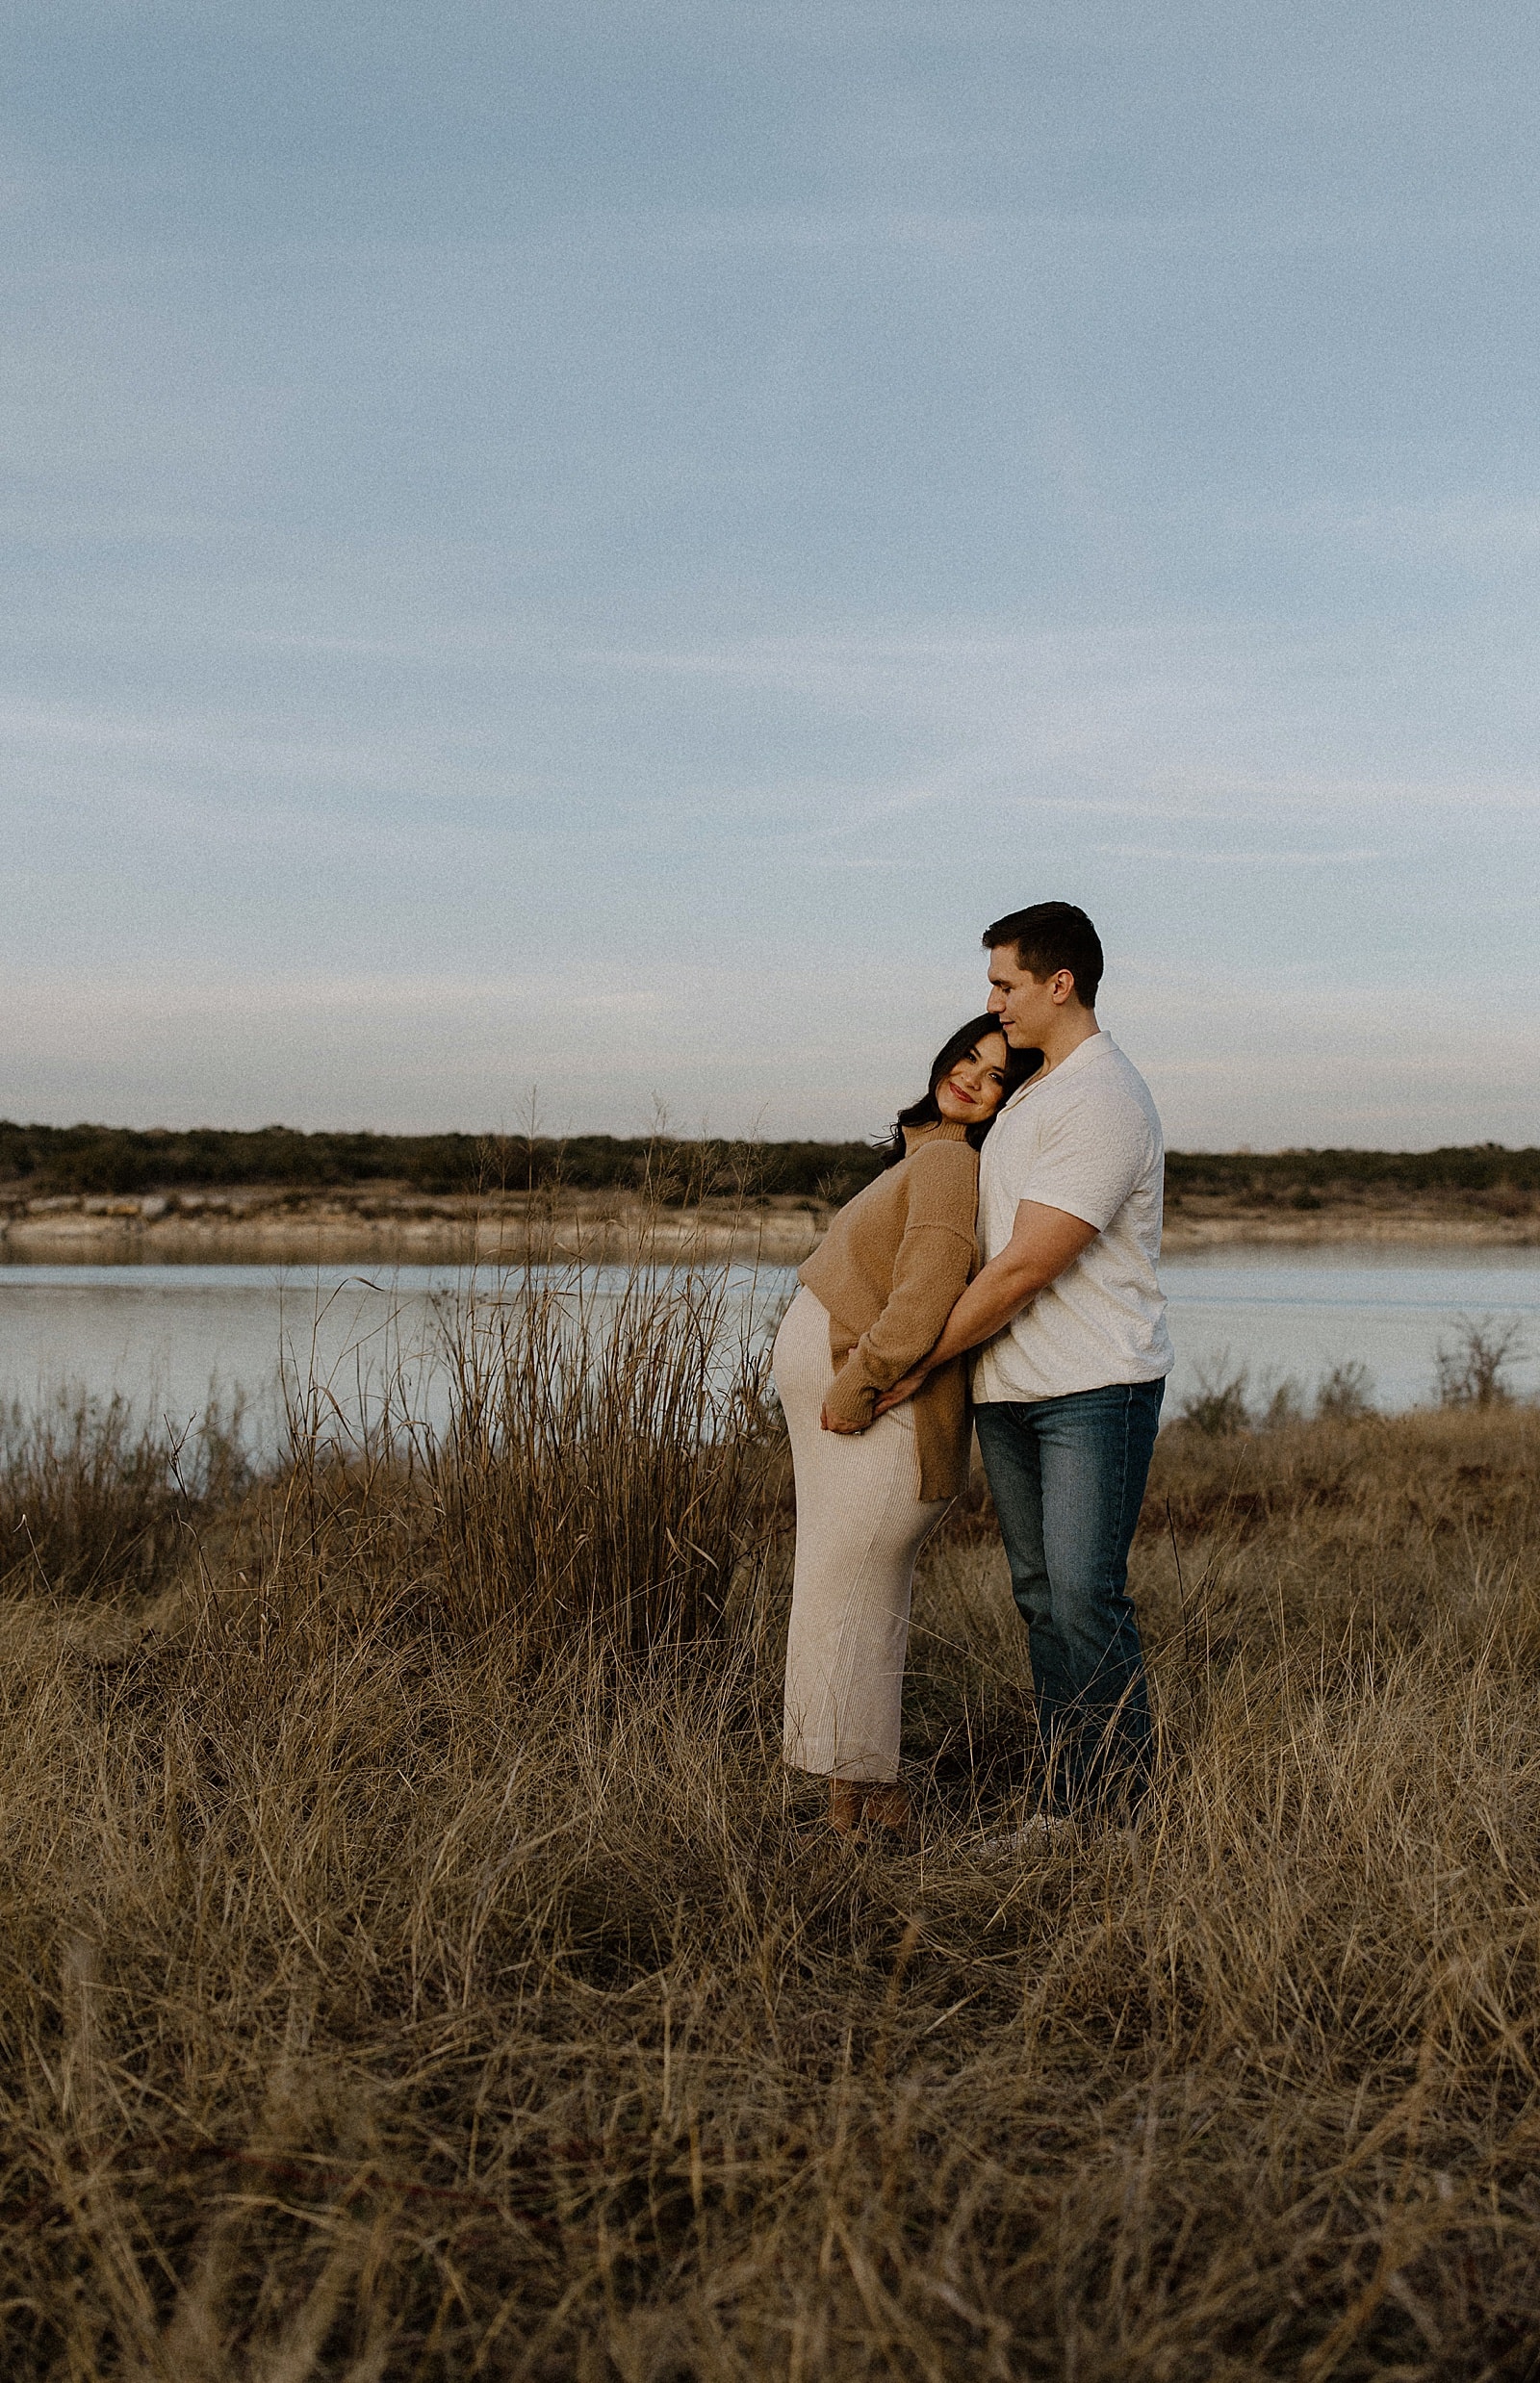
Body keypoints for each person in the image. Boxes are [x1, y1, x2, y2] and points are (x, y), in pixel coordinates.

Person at [875, 903, 1172, 1828]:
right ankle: (1065, 1801)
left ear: (1060, 983)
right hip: (1011, 1388)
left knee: (1087, 1596)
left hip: (1092, 1387)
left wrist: (917, 1359)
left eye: (1004, 984)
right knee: (1043, 1600)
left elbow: (1027, 1266)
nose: (992, 1002)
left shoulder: (1104, 1097)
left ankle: (1118, 1814)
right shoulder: (1039, 1091)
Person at [774, 1017, 1040, 1837]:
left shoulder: (953, 1162)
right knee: (849, 1607)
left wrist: (859, 1385)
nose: (970, 1077)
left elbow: (926, 1294)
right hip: (849, 1436)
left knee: (846, 1605)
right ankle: (867, 1813)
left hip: (875, 1429)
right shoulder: (931, 1154)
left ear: (1007, 1101)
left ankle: (863, 1818)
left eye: (994, 1076)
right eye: (968, 1057)